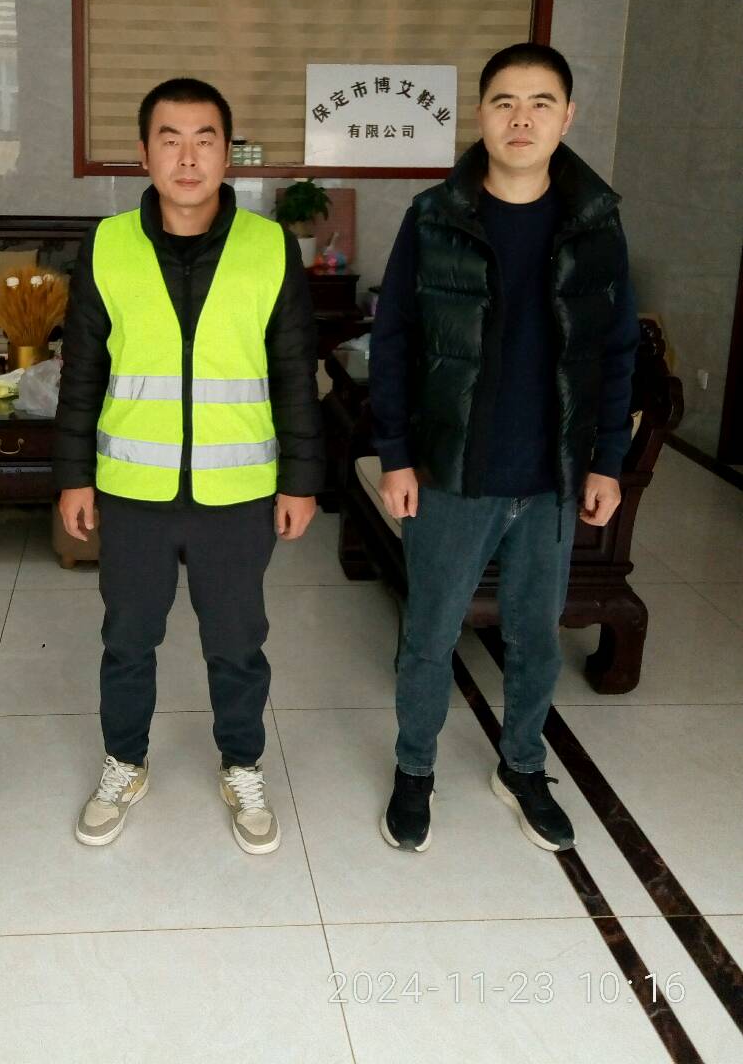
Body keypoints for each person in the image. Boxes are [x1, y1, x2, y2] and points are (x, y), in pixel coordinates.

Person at [370, 43, 639, 854]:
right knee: (430, 635)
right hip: (454, 473)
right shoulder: (434, 217)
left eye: (541, 103)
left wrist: (607, 462)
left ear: (567, 116)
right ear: (480, 114)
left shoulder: (596, 223)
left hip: (552, 476)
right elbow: (394, 340)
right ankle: (414, 769)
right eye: (504, 102)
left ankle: (522, 766)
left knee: (536, 638)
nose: (522, 119)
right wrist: (395, 455)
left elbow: (616, 348)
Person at [55, 78, 324, 854]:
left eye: (204, 139)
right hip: (132, 491)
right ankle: (125, 762)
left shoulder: (269, 246)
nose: (187, 156)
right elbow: (82, 370)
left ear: (227, 153)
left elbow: (293, 369)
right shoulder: (108, 244)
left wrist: (301, 479)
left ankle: (241, 765)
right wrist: (74, 475)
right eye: (169, 139)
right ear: (144, 153)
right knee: (128, 639)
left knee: (236, 644)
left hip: (237, 493)